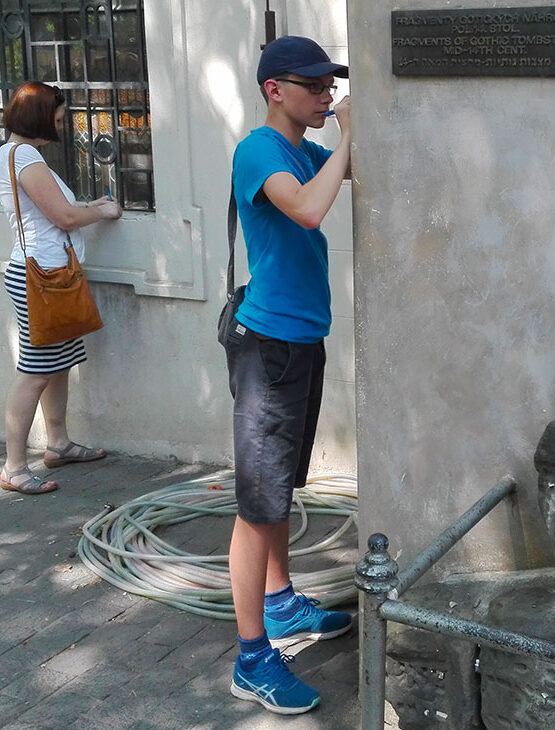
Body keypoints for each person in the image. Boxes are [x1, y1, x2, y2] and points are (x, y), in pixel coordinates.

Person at [224, 36, 353, 715]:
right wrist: (349, 135)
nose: (327, 95)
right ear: (275, 90)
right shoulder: (261, 151)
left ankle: (280, 604)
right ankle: (252, 659)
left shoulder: (305, 151)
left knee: (280, 490)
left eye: (332, 86)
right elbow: (306, 208)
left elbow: (357, 171)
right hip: (268, 350)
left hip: (301, 342)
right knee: (257, 509)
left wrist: (358, 131)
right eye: (315, 86)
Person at [0, 81, 122, 495]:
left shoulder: (14, 154)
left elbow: (56, 214)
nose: (62, 126)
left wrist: (89, 209)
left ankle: (58, 443)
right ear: (40, 117)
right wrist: (103, 211)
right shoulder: (24, 156)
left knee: (57, 365)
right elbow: (63, 217)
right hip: (41, 278)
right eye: (59, 118)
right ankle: (14, 467)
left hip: (50, 275)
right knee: (34, 373)